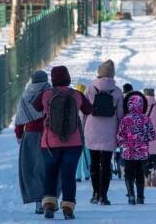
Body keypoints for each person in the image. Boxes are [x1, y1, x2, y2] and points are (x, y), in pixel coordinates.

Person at [40, 66, 93, 220]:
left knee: (50, 173)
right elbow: (89, 110)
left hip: (50, 143)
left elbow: (36, 107)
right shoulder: (76, 94)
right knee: (68, 175)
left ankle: (49, 205)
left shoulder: (46, 95)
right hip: (73, 142)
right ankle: (68, 208)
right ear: (68, 78)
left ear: (53, 79)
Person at [84, 60, 124, 205]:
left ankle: (95, 193)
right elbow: (120, 115)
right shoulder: (117, 92)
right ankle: (104, 196)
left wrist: (83, 129)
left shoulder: (90, 89)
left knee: (94, 163)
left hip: (92, 130)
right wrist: (120, 134)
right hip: (109, 131)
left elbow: (85, 112)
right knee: (106, 164)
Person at [14, 70, 50, 215]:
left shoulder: (26, 96)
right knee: (49, 168)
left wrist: (19, 136)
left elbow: (19, 121)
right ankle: (50, 199)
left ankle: (38, 202)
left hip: (30, 136)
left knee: (32, 169)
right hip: (50, 136)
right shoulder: (51, 94)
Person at [117, 91, 156, 205]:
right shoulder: (145, 119)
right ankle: (140, 197)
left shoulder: (125, 119)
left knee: (128, 173)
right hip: (141, 151)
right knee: (140, 173)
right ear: (141, 105)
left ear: (129, 105)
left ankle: (131, 195)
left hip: (128, 151)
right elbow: (151, 135)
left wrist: (122, 143)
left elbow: (120, 135)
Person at [75, 83, 91, 182]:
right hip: (86, 132)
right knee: (87, 154)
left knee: (77, 155)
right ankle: (87, 173)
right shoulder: (86, 102)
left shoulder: (72, 101)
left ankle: (78, 175)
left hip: (76, 133)